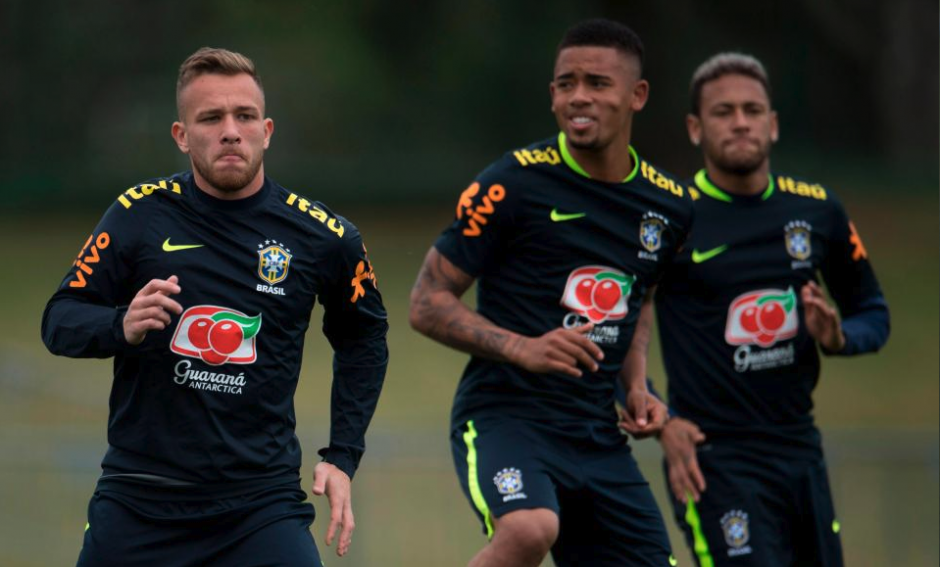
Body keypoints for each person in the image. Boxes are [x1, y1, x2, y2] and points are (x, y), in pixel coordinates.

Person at [41, 47, 388, 566]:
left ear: (266, 130)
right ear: (182, 136)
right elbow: (59, 318)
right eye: (211, 117)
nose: (231, 130)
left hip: (260, 505)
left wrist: (342, 455)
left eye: (244, 116)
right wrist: (122, 325)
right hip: (140, 499)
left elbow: (364, 337)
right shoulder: (137, 215)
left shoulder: (325, 236)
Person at [409, 19, 692, 567]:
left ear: (637, 96)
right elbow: (425, 302)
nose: (578, 96)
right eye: (566, 83)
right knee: (528, 529)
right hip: (505, 419)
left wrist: (636, 387)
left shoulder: (672, 207)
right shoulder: (512, 183)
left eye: (597, 83)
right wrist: (523, 347)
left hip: (597, 435)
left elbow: (642, 298)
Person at [650, 53, 890, 567]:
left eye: (753, 110)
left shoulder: (818, 210)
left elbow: (873, 311)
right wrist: (662, 420)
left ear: (773, 124)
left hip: (800, 450)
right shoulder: (672, 219)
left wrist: (838, 337)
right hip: (714, 460)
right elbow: (613, 334)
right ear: (695, 128)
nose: (740, 122)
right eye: (723, 111)